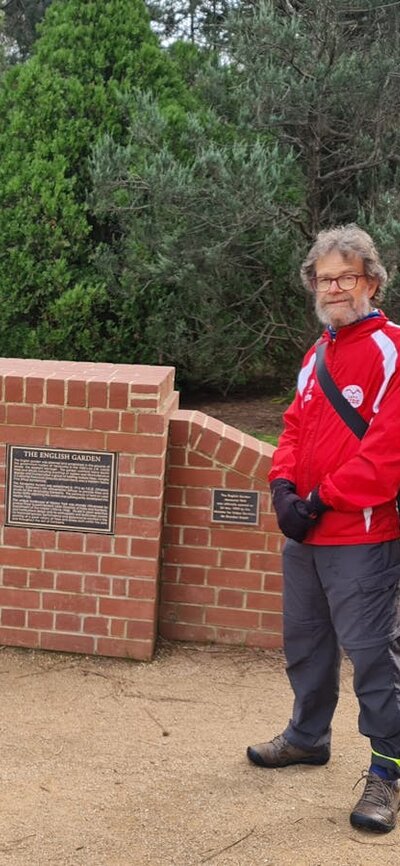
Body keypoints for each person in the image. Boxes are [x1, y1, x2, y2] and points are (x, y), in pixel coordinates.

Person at [247, 224, 400, 834]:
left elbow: (387, 456)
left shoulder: (392, 350)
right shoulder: (316, 355)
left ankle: (387, 775)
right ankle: (308, 737)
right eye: (324, 278)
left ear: (371, 281)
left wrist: (319, 497)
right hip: (305, 536)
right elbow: (291, 429)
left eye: (346, 276)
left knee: (373, 661)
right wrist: (282, 488)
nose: (334, 288)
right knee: (305, 646)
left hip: (361, 539)